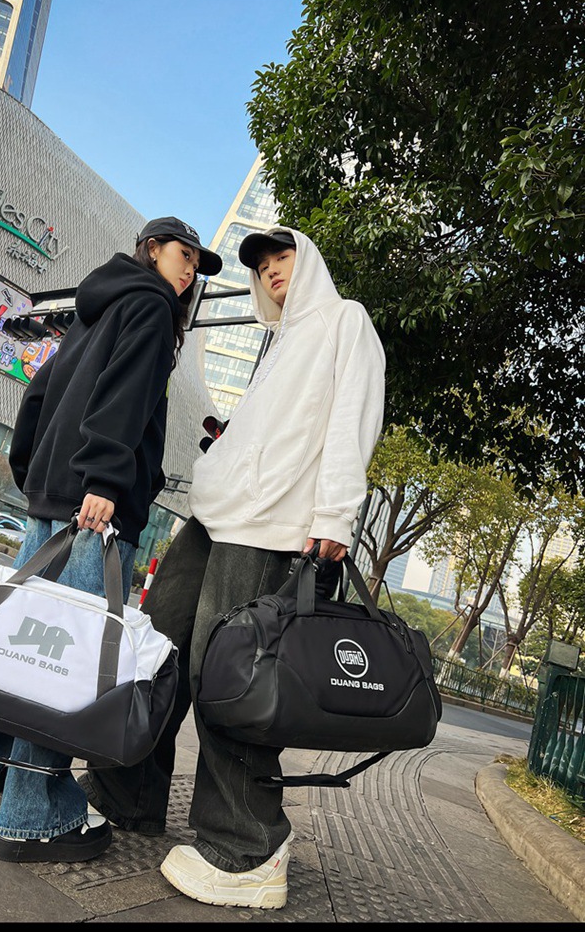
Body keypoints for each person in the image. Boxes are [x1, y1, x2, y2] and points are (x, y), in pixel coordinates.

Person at [82, 226, 386, 909]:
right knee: (158, 648)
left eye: (284, 256)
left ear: (309, 261)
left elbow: (352, 420)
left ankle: (248, 848)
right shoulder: (277, 342)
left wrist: (335, 517)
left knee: (229, 678)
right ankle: (126, 793)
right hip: (215, 515)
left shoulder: (344, 320)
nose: (272, 269)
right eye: (263, 263)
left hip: (272, 527)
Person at [0, 216, 222, 865]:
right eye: (184, 254)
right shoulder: (152, 307)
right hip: (95, 506)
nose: (190, 270)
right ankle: (35, 814)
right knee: (61, 662)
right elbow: (126, 396)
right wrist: (108, 478)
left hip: (55, 493)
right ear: (152, 249)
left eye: (196, 263)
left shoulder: (96, 305)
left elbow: (40, 393)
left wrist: (34, 471)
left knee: (14, 637)